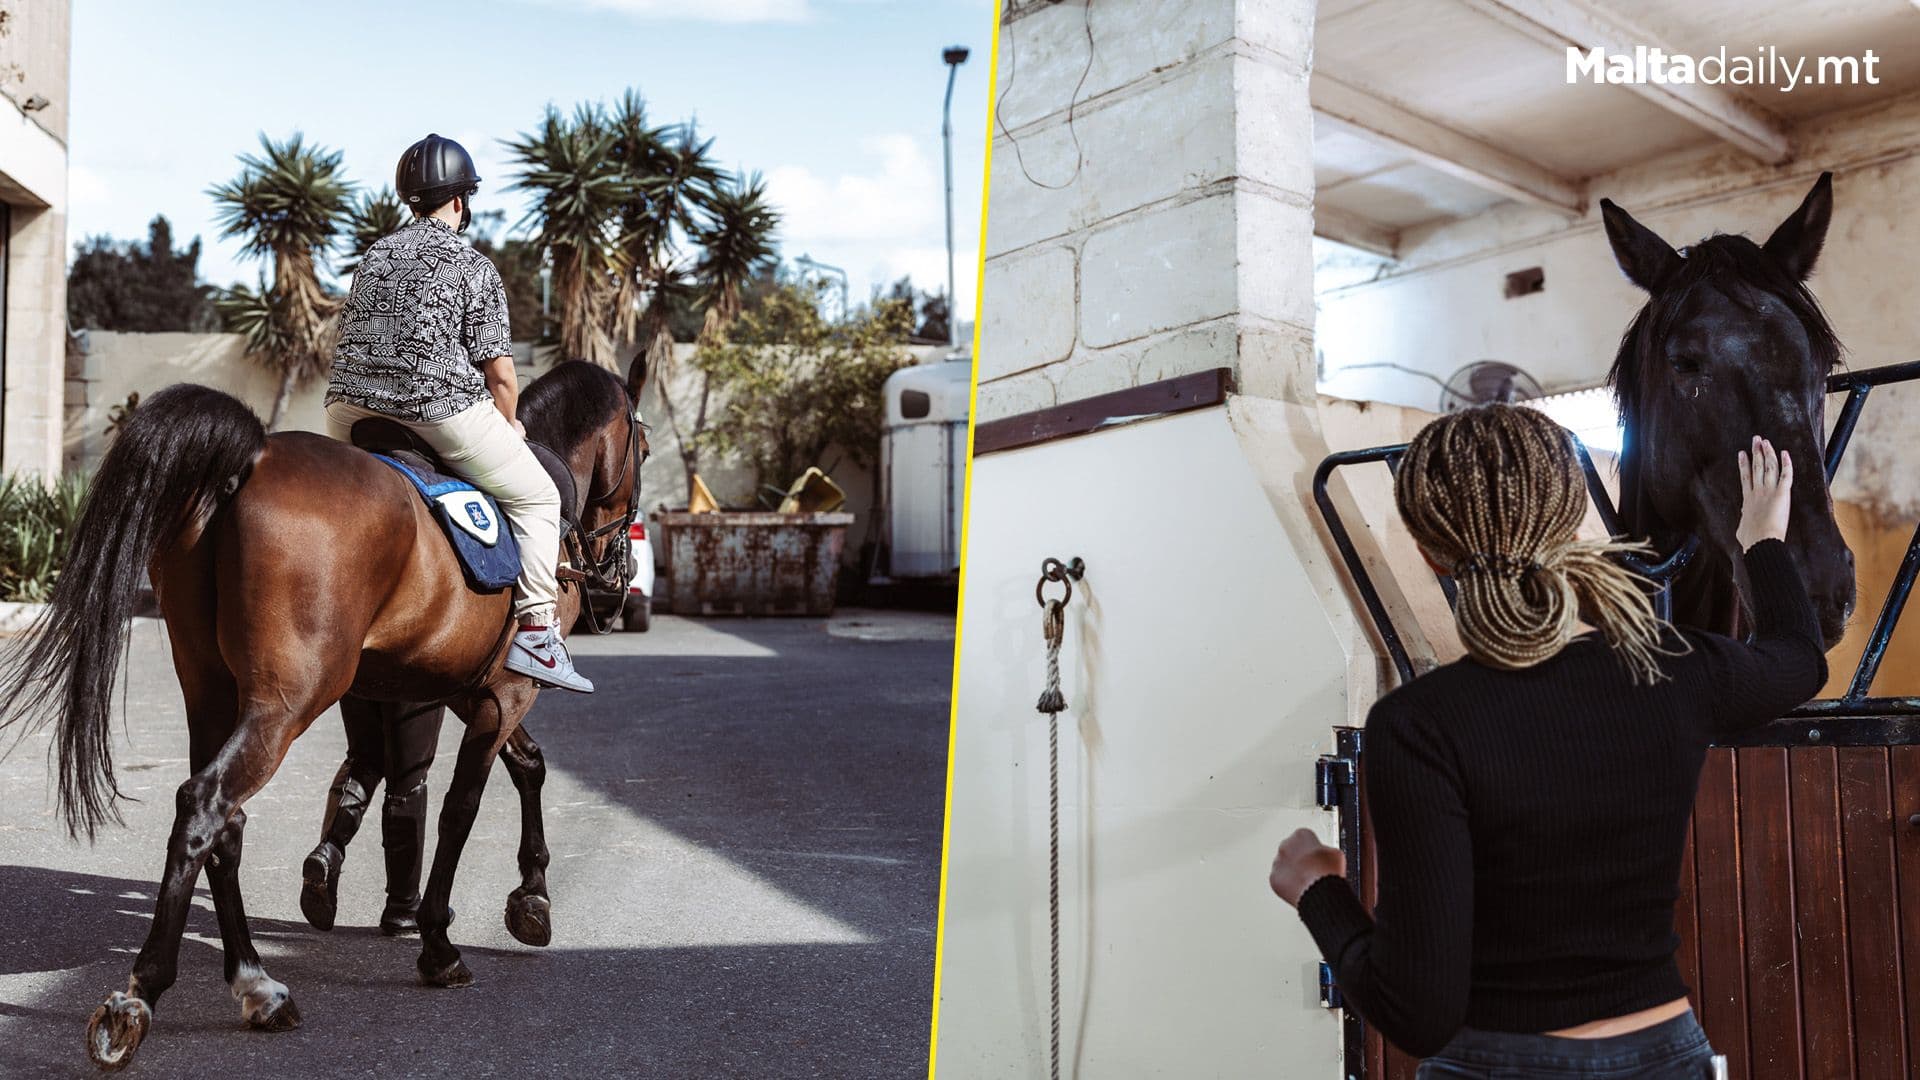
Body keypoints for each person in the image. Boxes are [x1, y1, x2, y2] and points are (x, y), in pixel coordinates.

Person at [1267, 405, 1826, 1077]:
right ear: (1570, 524)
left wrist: (1316, 888)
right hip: (1671, 1055)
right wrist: (1762, 537)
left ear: (1427, 551)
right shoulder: (1672, 666)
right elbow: (1799, 658)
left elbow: (1416, 1011)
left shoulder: (1420, 724)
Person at [301, 133, 593, 937]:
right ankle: (536, 630)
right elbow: (499, 374)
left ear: (408, 199)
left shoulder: (374, 255)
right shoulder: (470, 260)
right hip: (436, 407)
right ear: (462, 198)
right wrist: (504, 434)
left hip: (347, 413)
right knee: (535, 495)